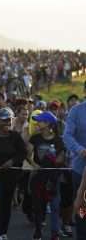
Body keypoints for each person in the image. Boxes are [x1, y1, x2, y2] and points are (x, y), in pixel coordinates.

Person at [0, 107, 27, 240]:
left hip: (10, 176)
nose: (7, 123)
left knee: (7, 204)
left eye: (9, 120)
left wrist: (12, 161)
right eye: (4, 120)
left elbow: (22, 153)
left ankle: (4, 232)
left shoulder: (15, 137)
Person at [28, 111, 65, 240]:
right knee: (38, 207)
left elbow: (61, 157)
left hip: (54, 178)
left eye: (40, 121)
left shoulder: (58, 140)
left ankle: (55, 234)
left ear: (48, 123)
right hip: (38, 178)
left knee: (55, 207)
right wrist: (34, 164)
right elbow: (27, 154)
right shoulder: (35, 138)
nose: (37, 123)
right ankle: (38, 232)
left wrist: (53, 159)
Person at [63, 101, 86, 239]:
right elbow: (67, 135)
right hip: (80, 168)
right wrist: (79, 150)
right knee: (83, 207)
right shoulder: (76, 111)